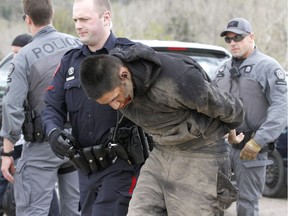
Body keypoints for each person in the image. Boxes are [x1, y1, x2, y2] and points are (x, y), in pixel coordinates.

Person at [79, 42, 245, 215]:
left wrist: (231, 128)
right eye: (108, 103)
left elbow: (230, 109)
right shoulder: (115, 80)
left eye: (115, 98)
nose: (116, 106)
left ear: (124, 75)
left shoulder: (178, 80)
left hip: (202, 154)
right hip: (161, 153)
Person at [41, 0, 147, 216]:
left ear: (106, 18)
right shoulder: (70, 62)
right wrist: (53, 134)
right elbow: (51, 107)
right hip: (85, 169)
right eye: (75, 20)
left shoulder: (128, 57)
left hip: (121, 166)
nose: (78, 25)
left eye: (85, 19)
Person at [0, 0, 82, 215]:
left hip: (43, 145)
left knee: (33, 211)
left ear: (28, 19)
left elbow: (11, 106)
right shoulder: (78, 45)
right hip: (79, 143)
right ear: (52, 14)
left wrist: (7, 152)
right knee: (75, 211)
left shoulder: (24, 56)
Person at [213, 18, 287, 216]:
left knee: (247, 203)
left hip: (251, 149)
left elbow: (282, 108)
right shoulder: (222, 69)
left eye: (237, 37)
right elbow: (211, 106)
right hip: (222, 147)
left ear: (251, 37)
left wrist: (258, 141)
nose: (232, 43)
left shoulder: (268, 67)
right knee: (212, 200)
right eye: (228, 40)